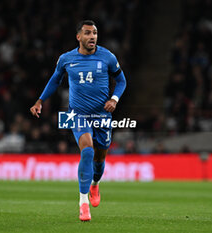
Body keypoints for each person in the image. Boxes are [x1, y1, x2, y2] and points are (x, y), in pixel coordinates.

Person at [30, 20, 126, 221]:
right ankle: (83, 203)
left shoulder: (107, 56)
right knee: (88, 150)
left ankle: (95, 184)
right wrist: (40, 100)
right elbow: (55, 80)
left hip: (101, 115)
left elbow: (122, 81)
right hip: (77, 114)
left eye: (95, 33)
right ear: (79, 37)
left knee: (99, 160)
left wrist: (114, 99)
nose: (92, 37)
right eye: (88, 33)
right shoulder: (66, 59)